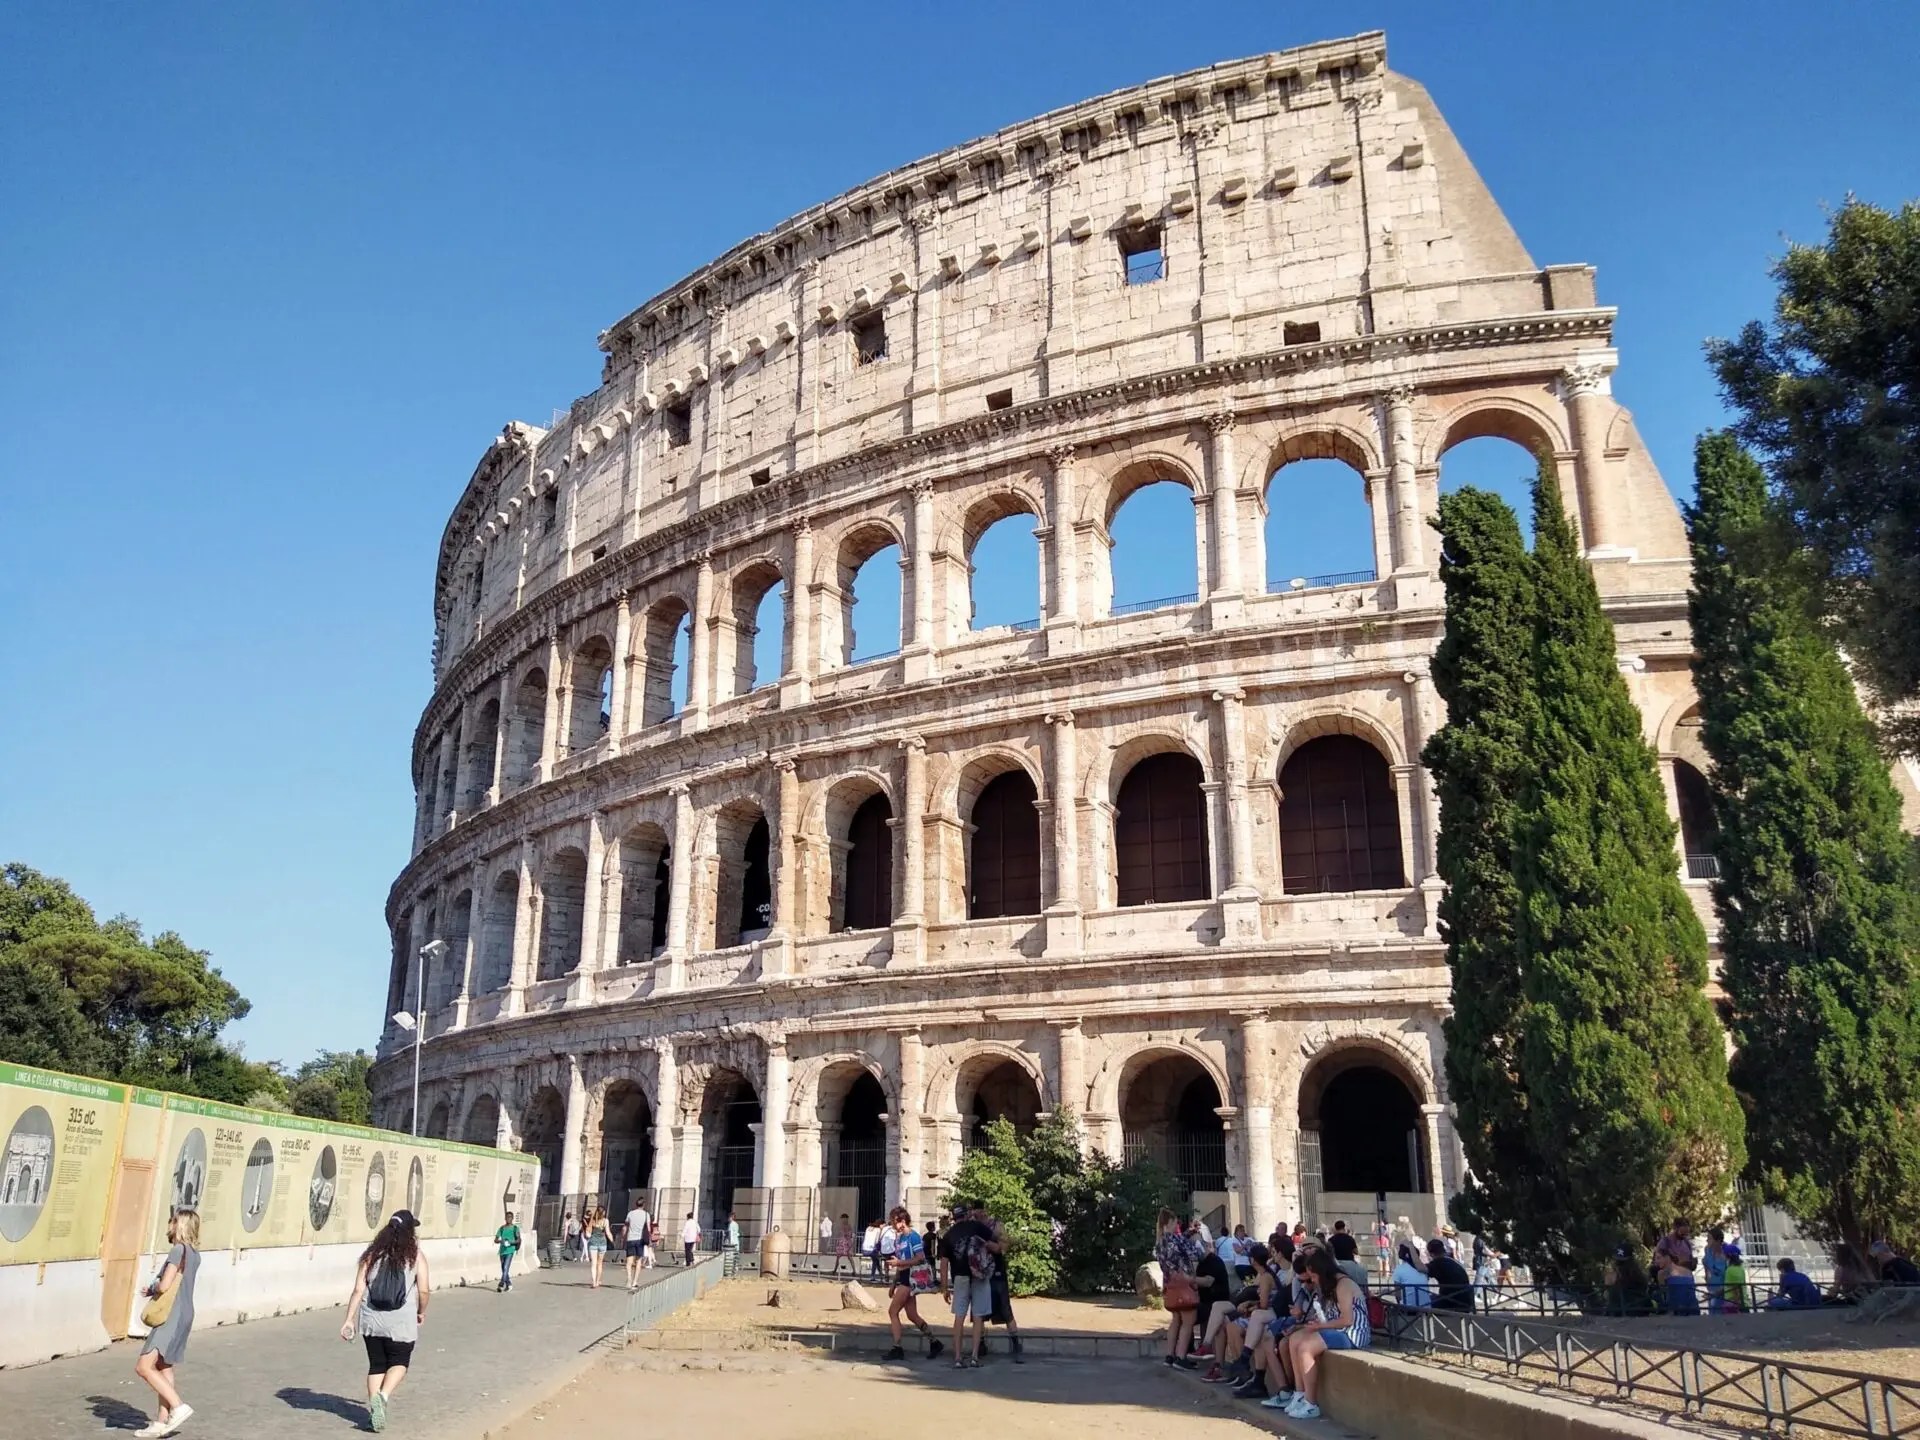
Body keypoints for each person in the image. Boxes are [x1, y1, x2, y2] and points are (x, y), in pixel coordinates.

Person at [340, 1209, 430, 1434]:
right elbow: (424, 1290)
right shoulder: (416, 1255)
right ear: (410, 1231)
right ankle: (383, 1396)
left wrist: (349, 1320)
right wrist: (421, 1311)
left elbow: (358, 1289)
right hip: (400, 1322)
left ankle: (374, 1410)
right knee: (400, 1362)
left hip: (371, 1320)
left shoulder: (371, 1254)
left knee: (377, 1364)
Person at [1268, 1247, 1371, 1419]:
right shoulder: (1329, 1285)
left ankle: (1310, 1403)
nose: (1313, 1280)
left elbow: (1347, 1320)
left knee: (1305, 1348)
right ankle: (1299, 1394)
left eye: (1314, 1276)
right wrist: (1310, 1326)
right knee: (1294, 1339)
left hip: (1352, 1334)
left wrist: (1319, 1328)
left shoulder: (1344, 1284)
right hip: (1336, 1329)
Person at [133, 1208, 200, 1438]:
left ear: (179, 1225)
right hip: (186, 1313)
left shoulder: (177, 1251)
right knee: (164, 1365)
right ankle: (162, 1421)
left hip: (171, 1314)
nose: (169, 1226)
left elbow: (164, 1285)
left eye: (172, 1222)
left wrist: (150, 1288)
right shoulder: (194, 1253)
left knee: (143, 1366)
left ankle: (178, 1406)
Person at [939, 1202, 1001, 1369]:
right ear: (967, 1214)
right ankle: (974, 1357)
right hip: (979, 1276)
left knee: (959, 1316)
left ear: (953, 1217)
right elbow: (997, 1247)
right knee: (978, 1316)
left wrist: (944, 1288)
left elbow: (943, 1264)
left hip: (960, 1278)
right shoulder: (977, 1227)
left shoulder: (948, 1235)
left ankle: (958, 1358)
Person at [882, 1208, 945, 1361]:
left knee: (893, 1312)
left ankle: (897, 1347)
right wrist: (893, 1283)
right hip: (903, 1277)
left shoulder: (914, 1237)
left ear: (902, 1221)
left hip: (910, 1279)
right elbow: (900, 1262)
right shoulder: (899, 1239)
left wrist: (899, 1263)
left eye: (894, 1220)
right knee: (912, 1315)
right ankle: (934, 1342)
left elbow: (919, 1258)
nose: (892, 1224)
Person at [1155, 1208, 1204, 1369]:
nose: (1177, 1225)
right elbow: (1195, 1254)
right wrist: (1197, 1238)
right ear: (1169, 1223)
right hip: (1184, 1283)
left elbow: (1178, 1241)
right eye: (1175, 1222)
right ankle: (1181, 1357)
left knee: (1175, 1320)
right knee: (1188, 1321)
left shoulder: (1160, 1242)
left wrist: (1188, 1233)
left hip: (1170, 1284)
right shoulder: (1176, 1240)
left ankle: (1170, 1355)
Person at [1654, 1217, 1699, 1315]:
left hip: (1687, 1280)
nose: (1684, 1236)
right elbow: (1658, 1261)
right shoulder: (1665, 1242)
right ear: (1675, 1228)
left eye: (1686, 1233)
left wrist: (1692, 1263)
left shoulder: (1687, 1243)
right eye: (1682, 1233)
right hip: (1671, 1281)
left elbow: (1690, 1261)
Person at [1425, 1237, 1472, 1312]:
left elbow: (1421, 1269)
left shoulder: (1438, 1263)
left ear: (1431, 1254)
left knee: (1423, 1302)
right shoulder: (1453, 1261)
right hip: (1466, 1302)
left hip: (1451, 1304)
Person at [622, 1198, 652, 1291]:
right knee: (638, 1261)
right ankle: (635, 1282)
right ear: (644, 1205)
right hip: (640, 1240)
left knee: (629, 1261)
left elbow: (625, 1226)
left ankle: (629, 1279)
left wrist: (623, 1237)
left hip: (630, 1238)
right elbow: (648, 1229)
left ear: (636, 1204)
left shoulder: (630, 1213)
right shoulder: (646, 1215)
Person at [1391, 1242, 1432, 1309]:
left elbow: (1398, 1294)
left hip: (1408, 1307)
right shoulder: (1422, 1268)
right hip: (1426, 1307)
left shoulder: (1399, 1269)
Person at [1702, 1226, 1729, 1312]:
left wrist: (1718, 1292)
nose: (1707, 1240)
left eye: (1709, 1238)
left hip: (1724, 1292)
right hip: (1711, 1289)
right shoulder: (1707, 1250)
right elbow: (1705, 1263)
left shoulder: (1726, 1254)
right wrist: (1707, 1276)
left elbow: (1729, 1277)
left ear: (1717, 1241)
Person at [494, 1211, 522, 1293]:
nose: (508, 1219)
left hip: (510, 1250)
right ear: (505, 1218)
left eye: (510, 1217)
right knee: (503, 1269)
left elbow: (518, 1240)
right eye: (507, 1217)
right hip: (502, 1251)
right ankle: (509, 1284)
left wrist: (511, 1242)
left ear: (512, 1218)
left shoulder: (515, 1228)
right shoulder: (502, 1228)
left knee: (506, 1267)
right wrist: (500, 1241)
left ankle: (501, 1283)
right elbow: (495, 1239)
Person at [585, 1206, 612, 1289]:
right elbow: (608, 1232)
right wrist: (611, 1239)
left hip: (593, 1243)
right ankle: (597, 1281)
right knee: (600, 1264)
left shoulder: (592, 1220)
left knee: (593, 1263)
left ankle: (593, 1282)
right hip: (602, 1243)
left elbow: (588, 1230)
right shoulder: (605, 1221)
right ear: (603, 1213)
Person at [1721, 1243, 1748, 1313]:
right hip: (1742, 1303)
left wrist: (1736, 1306)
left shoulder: (1731, 1270)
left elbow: (1736, 1289)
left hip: (1734, 1305)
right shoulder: (1740, 1268)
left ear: (1728, 1256)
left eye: (1724, 1254)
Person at [831, 1213, 855, 1278]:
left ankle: (854, 1271)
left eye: (843, 1218)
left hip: (846, 1243)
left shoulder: (848, 1226)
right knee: (839, 1257)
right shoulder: (843, 1226)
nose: (843, 1220)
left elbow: (850, 1234)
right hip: (843, 1243)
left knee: (849, 1257)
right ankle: (835, 1270)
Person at [723, 1211, 742, 1276]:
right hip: (736, 1242)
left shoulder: (731, 1224)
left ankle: (730, 1272)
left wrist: (729, 1242)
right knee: (736, 1258)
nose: (728, 1218)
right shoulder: (736, 1224)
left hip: (732, 1243)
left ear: (731, 1217)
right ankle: (735, 1271)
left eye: (729, 1217)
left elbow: (730, 1234)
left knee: (730, 1258)